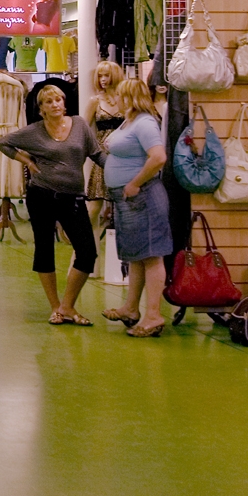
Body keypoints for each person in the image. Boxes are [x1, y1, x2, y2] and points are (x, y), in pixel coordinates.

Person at [0, 83, 106, 326]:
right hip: (42, 196)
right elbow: (2, 143)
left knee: (87, 252)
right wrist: (27, 161)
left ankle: (68, 305)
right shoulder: (34, 131)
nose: (55, 104)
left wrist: (125, 172)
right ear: (41, 108)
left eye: (58, 100)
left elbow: (97, 154)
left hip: (73, 196)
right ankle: (55, 307)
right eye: (49, 102)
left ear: (64, 103)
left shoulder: (79, 125)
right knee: (45, 250)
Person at [99, 78, 171, 336]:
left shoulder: (145, 122)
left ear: (129, 97)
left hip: (143, 197)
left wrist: (135, 182)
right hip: (128, 199)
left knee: (151, 254)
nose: (114, 99)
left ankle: (153, 315)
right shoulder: (128, 121)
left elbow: (158, 157)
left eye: (118, 95)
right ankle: (131, 308)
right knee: (136, 255)